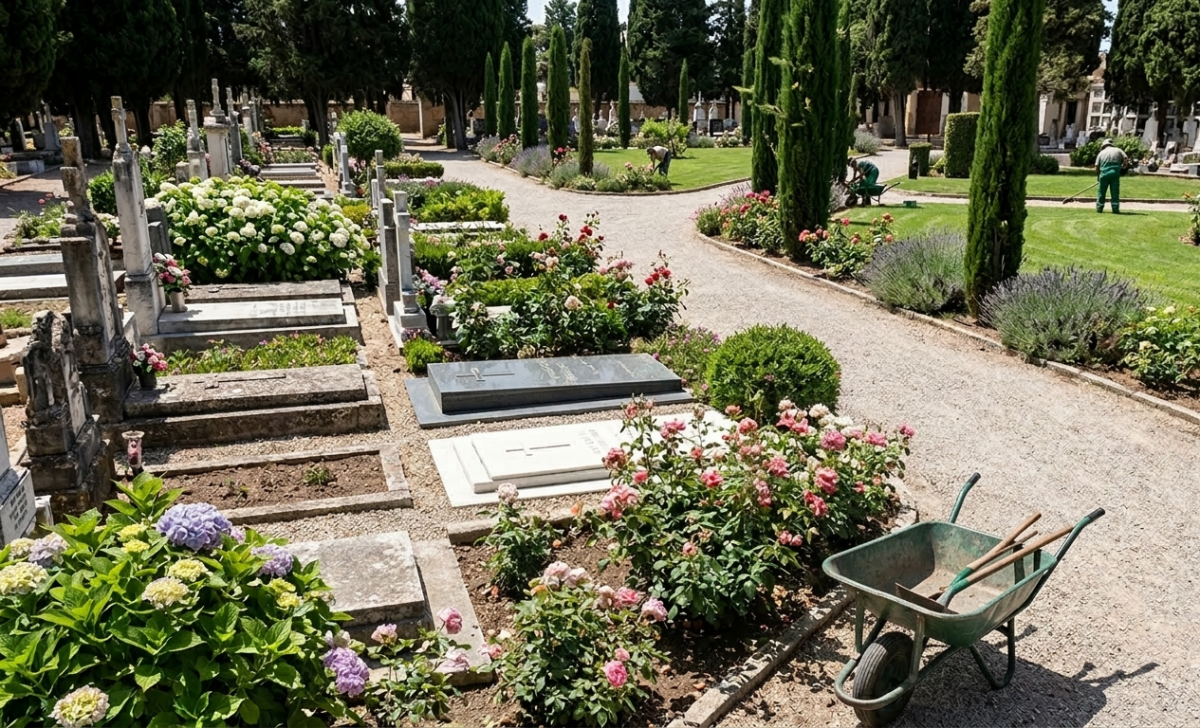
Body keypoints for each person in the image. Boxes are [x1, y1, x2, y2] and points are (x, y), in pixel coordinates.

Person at [1094, 138, 1129, 213]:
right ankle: (1115, 208)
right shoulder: (1118, 150)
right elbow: (1126, 158)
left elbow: (1096, 166)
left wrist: (1098, 176)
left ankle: (1099, 208)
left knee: (1101, 192)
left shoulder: (1101, 153)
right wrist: (1124, 166)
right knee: (1115, 192)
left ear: (1104, 146)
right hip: (1115, 173)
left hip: (1104, 174)